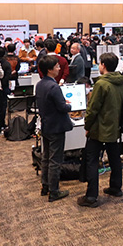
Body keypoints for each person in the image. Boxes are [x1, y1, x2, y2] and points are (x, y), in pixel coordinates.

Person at [79, 52, 123, 207]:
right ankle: (116, 187)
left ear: (103, 65)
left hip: (99, 128)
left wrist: (87, 126)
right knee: (114, 158)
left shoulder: (101, 84)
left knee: (92, 161)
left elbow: (93, 109)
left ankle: (91, 196)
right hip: (114, 126)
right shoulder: (120, 81)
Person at [35, 55, 73, 202]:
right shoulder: (54, 86)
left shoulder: (40, 84)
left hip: (46, 125)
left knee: (46, 158)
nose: (59, 68)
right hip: (56, 126)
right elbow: (62, 107)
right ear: (50, 69)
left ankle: (45, 186)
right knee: (55, 160)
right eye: (57, 66)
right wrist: (69, 105)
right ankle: (54, 191)